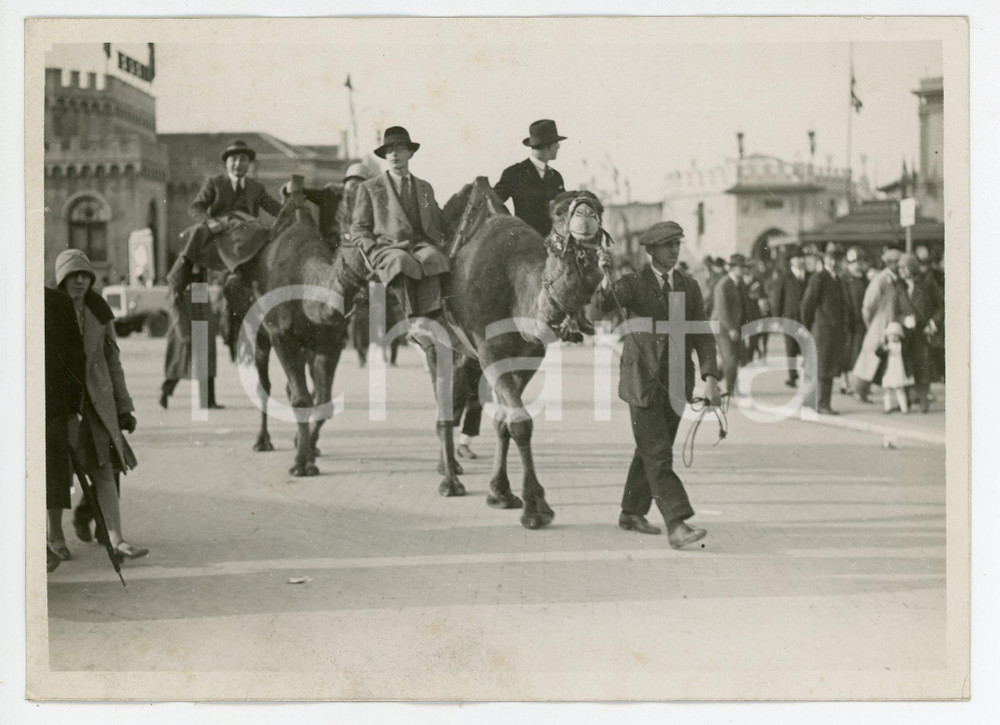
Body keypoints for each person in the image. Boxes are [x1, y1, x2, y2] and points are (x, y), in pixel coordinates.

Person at [596, 221, 721, 548]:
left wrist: (711, 377)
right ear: (651, 250)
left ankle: (631, 512)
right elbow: (603, 306)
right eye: (667, 246)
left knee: (650, 450)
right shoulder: (633, 283)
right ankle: (677, 524)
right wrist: (605, 277)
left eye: (677, 244)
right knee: (658, 452)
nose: (674, 251)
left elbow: (701, 334)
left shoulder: (687, 287)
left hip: (678, 383)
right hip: (643, 384)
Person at [162, 140, 282, 409]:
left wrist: (290, 213)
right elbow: (196, 208)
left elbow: (273, 207)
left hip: (243, 236)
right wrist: (209, 221)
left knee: (263, 234)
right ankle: (183, 265)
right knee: (196, 235)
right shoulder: (214, 184)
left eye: (243, 160)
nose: (238, 164)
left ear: (249, 164)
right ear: (226, 163)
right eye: (234, 160)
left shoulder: (255, 188)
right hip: (218, 235)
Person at [54, 250, 148, 561]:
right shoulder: (47, 309)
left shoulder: (98, 310)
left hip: (96, 404)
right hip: (60, 404)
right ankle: (55, 538)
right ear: (62, 279)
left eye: (85, 276)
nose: (80, 281)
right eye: (73, 275)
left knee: (105, 470)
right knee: (57, 473)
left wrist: (124, 406)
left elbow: (113, 360)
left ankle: (117, 538)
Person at [350, 126, 451, 321]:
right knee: (401, 261)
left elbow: (439, 220)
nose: (394, 154)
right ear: (385, 156)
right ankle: (412, 320)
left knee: (434, 257)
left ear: (410, 153)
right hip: (387, 248)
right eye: (389, 151)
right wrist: (371, 249)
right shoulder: (370, 188)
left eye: (400, 149)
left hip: (420, 246)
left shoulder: (424, 187)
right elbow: (358, 227)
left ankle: (432, 317)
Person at [45, 286, 86, 570]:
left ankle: (55, 532)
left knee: (56, 469)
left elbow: (75, 353)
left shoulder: (57, 302)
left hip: (53, 402)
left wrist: (72, 403)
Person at [494, 119, 567, 238]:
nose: (558, 147)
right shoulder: (514, 173)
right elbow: (493, 202)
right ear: (549, 146)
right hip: (523, 246)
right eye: (556, 143)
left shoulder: (556, 177)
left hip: (552, 246)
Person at [800, 243, 850, 415]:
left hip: (833, 331)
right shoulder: (819, 278)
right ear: (825, 259)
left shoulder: (837, 278)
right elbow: (807, 305)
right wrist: (807, 328)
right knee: (823, 369)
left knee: (825, 368)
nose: (834, 262)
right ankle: (822, 404)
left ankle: (816, 403)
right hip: (823, 330)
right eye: (831, 258)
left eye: (837, 259)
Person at [852, 248, 904, 402]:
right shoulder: (880, 280)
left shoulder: (896, 280)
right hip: (879, 324)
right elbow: (868, 306)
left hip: (891, 324)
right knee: (870, 357)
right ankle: (860, 390)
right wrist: (872, 325)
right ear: (891, 264)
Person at [896, 253, 944, 413]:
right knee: (908, 366)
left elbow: (941, 306)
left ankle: (923, 400)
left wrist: (933, 323)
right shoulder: (900, 288)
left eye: (904, 267)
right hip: (908, 335)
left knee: (924, 367)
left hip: (924, 333)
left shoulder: (928, 285)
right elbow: (895, 312)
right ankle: (909, 399)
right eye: (900, 268)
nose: (901, 271)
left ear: (913, 268)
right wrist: (904, 320)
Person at [711, 253, 753, 397]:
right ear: (733, 268)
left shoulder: (740, 283)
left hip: (737, 327)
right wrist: (731, 329)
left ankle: (715, 378)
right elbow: (722, 310)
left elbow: (745, 306)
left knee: (740, 357)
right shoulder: (723, 285)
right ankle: (730, 389)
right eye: (741, 267)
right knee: (730, 359)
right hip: (723, 328)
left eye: (744, 267)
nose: (743, 270)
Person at [769, 244, 809, 388]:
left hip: (806, 319)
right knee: (791, 348)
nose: (801, 261)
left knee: (806, 347)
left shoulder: (809, 276)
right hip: (790, 318)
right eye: (797, 258)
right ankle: (792, 376)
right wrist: (777, 320)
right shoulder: (785, 277)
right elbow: (777, 299)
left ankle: (806, 374)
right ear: (791, 261)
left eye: (802, 258)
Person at [842, 247, 870, 398]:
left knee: (859, 353)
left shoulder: (864, 279)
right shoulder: (845, 279)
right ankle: (847, 382)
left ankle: (859, 383)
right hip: (850, 322)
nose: (858, 265)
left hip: (862, 322)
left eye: (860, 262)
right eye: (854, 262)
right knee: (849, 354)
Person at [880, 321, 913, 414]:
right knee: (887, 390)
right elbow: (878, 353)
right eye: (891, 335)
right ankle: (887, 407)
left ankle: (904, 408)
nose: (893, 337)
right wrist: (883, 348)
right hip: (888, 370)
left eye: (896, 335)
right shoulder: (886, 347)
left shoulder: (902, 346)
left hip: (898, 369)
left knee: (899, 389)